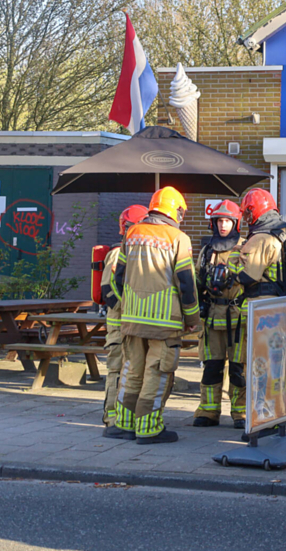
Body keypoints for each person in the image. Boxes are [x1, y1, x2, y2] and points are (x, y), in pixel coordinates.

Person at [112, 187, 200, 444]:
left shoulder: (132, 232)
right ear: (177, 211)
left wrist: (128, 307)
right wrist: (193, 320)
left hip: (131, 320)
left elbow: (118, 278)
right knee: (157, 372)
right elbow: (186, 283)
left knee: (132, 370)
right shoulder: (178, 238)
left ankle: (124, 424)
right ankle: (149, 428)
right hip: (165, 324)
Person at [193, 200, 246, 429]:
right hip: (213, 316)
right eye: (219, 220)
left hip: (238, 317)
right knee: (212, 365)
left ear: (235, 223)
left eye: (227, 220)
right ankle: (208, 411)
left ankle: (240, 413)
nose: (223, 225)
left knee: (238, 367)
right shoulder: (207, 251)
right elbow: (197, 280)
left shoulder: (246, 246)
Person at [99, 203, 148, 439]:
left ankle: (129, 416)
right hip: (120, 326)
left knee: (132, 372)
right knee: (117, 370)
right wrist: (129, 310)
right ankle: (112, 418)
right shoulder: (117, 253)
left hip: (134, 325)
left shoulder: (141, 252)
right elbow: (109, 290)